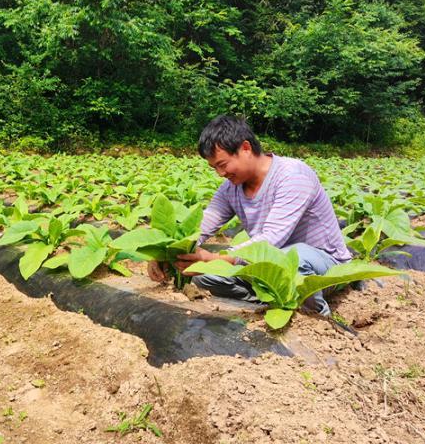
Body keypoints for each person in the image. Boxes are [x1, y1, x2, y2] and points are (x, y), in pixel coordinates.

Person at [147, 115, 352, 316]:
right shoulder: (231, 188)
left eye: (223, 164)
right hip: (268, 264)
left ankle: (315, 316)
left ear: (245, 148)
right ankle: (272, 299)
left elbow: (272, 239)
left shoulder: (293, 176)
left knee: (294, 257)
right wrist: (168, 252)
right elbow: (204, 223)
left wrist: (216, 257)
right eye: (214, 168)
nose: (220, 173)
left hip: (324, 264)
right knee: (204, 277)